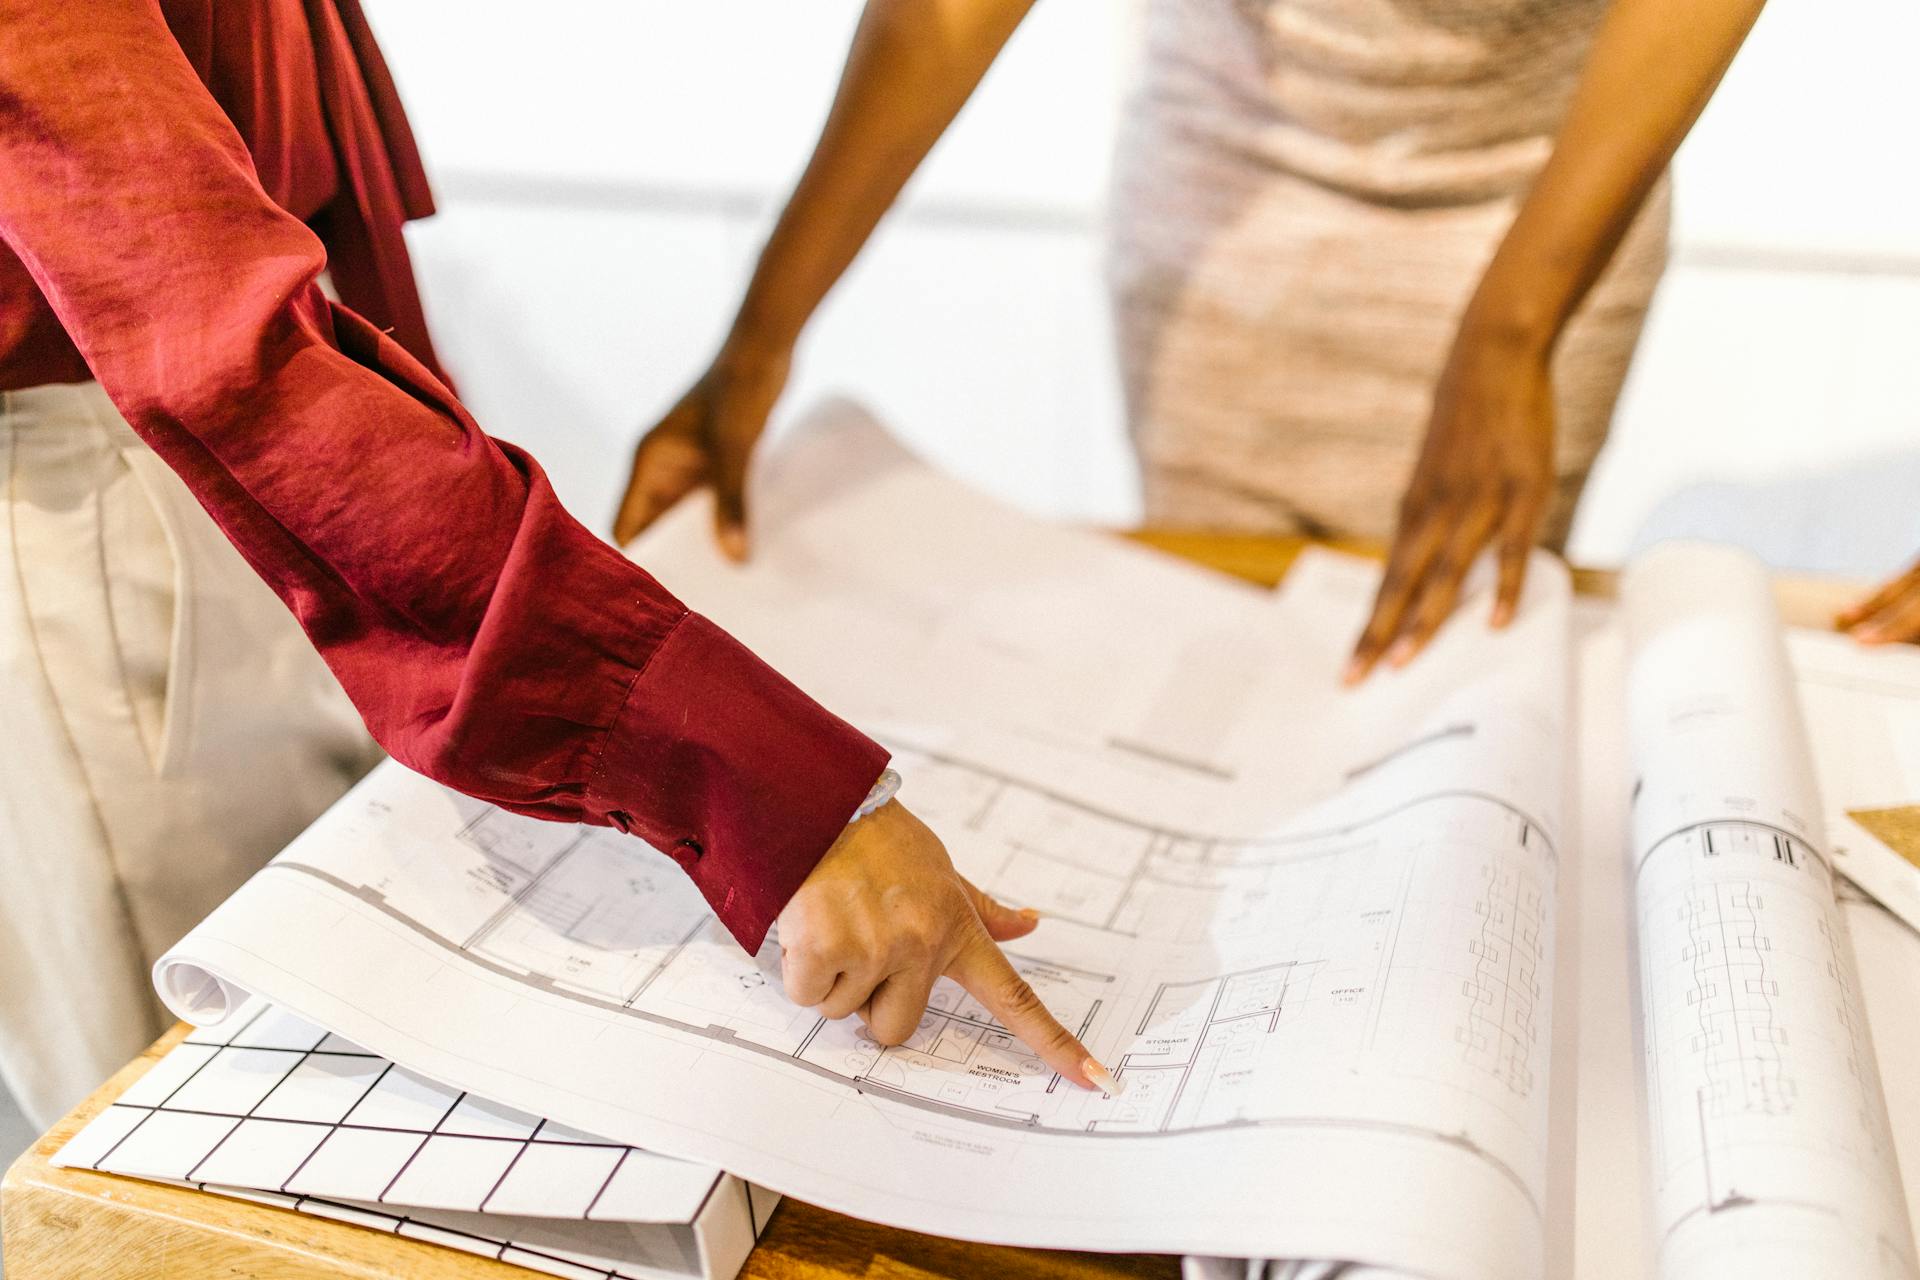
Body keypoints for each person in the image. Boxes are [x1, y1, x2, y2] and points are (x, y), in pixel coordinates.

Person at [0, 0, 1108, 1129]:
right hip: (116, 479)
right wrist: (760, 781)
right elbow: (220, 347)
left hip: (253, 456)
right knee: (198, 1113)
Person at [617, 0, 1806, 678]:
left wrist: (1510, 329)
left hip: (1539, 192)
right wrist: (756, 343)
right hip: (1229, 171)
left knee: (1448, 672)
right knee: (1236, 665)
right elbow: (945, 15)